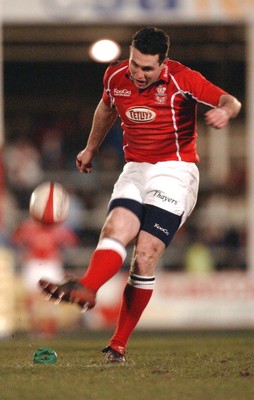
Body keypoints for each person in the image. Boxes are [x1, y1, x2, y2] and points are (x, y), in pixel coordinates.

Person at [39, 27, 241, 362]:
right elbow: (106, 109)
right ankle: (88, 287)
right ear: (130, 56)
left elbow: (229, 99)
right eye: (135, 64)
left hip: (176, 170)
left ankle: (118, 343)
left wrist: (226, 112)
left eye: (148, 68)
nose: (139, 73)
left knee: (145, 254)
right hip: (135, 168)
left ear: (163, 64)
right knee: (115, 228)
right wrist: (90, 148)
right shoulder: (116, 75)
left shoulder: (183, 79)